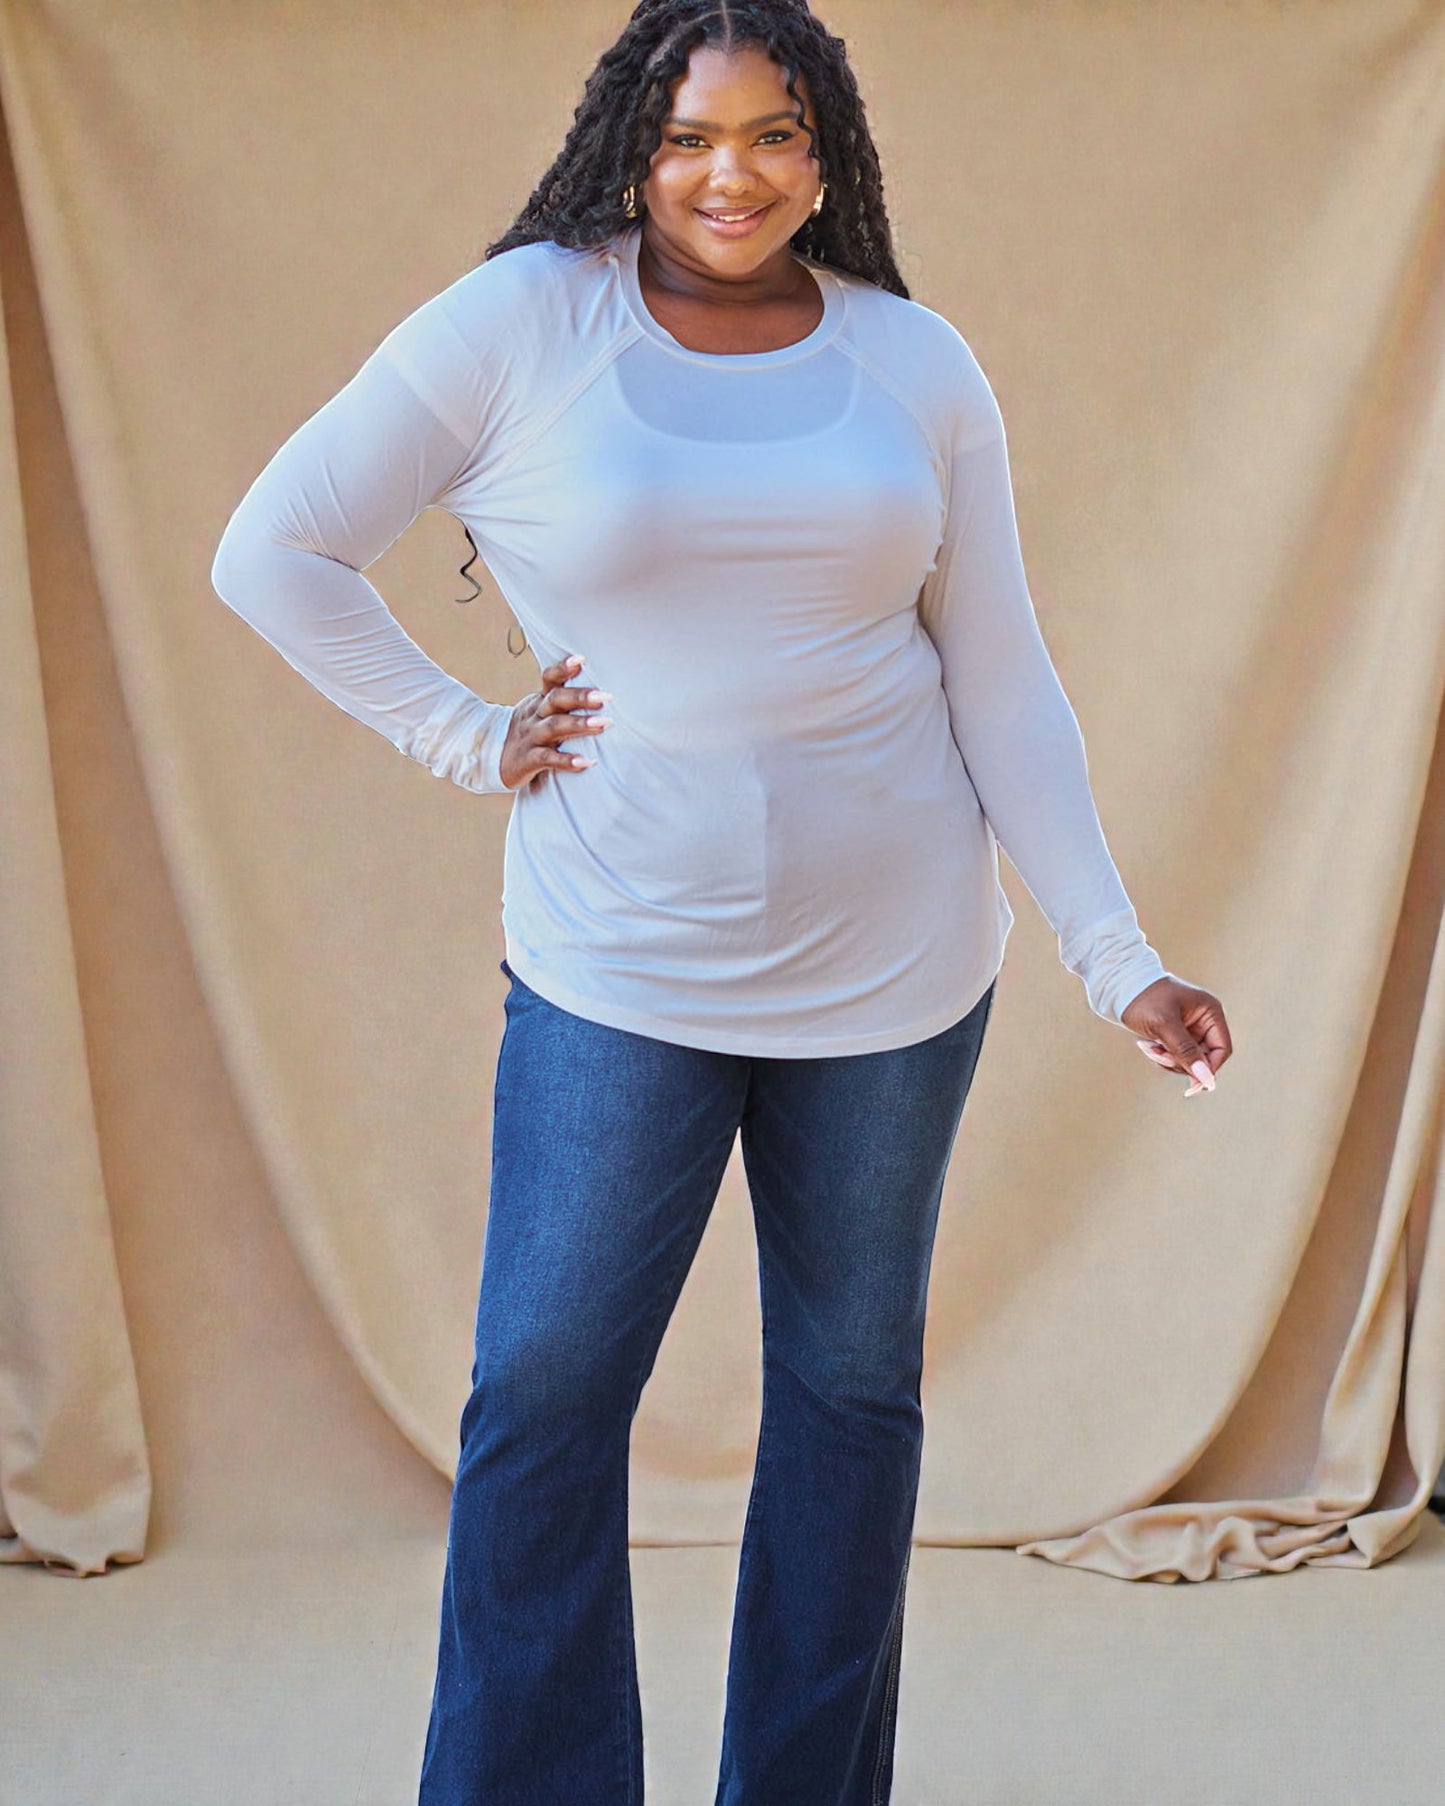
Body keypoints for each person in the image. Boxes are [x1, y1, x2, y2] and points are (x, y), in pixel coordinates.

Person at [210, 2, 1232, 1799]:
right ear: (631, 145)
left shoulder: (915, 361)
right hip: (619, 960)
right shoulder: (526, 322)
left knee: (850, 1399)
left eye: (770, 135)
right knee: (543, 1391)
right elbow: (271, 549)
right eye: (686, 136)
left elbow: (999, 676)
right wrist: (466, 737)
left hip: (898, 972)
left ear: (824, 157)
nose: (726, 176)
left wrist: (1116, 954)